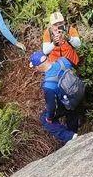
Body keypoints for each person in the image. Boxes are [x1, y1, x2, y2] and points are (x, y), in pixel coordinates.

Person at [29, 14, 83, 145]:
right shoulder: (49, 35)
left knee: (48, 115)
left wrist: (67, 37)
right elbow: (46, 50)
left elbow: (51, 106)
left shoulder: (48, 85)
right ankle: (73, 133)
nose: (58, 26)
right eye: (55, 24)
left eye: (60, 23)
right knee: (71, 101)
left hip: (64, 69)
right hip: (64, 69)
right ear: (51, 25)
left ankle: (70, 136)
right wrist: (54, 42)